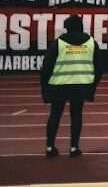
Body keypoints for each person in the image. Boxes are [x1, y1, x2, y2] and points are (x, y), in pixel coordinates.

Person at [40, 16, 102, 157]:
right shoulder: (91, 43)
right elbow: (99, 67)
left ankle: (50, 147)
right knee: (76, 114)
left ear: (67, 27)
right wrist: (93, 85)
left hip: (59, 83)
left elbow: (47, 66)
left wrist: (45, 86)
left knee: (55, 114)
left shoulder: (59, 43)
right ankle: (74, 147)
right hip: (81, 84)